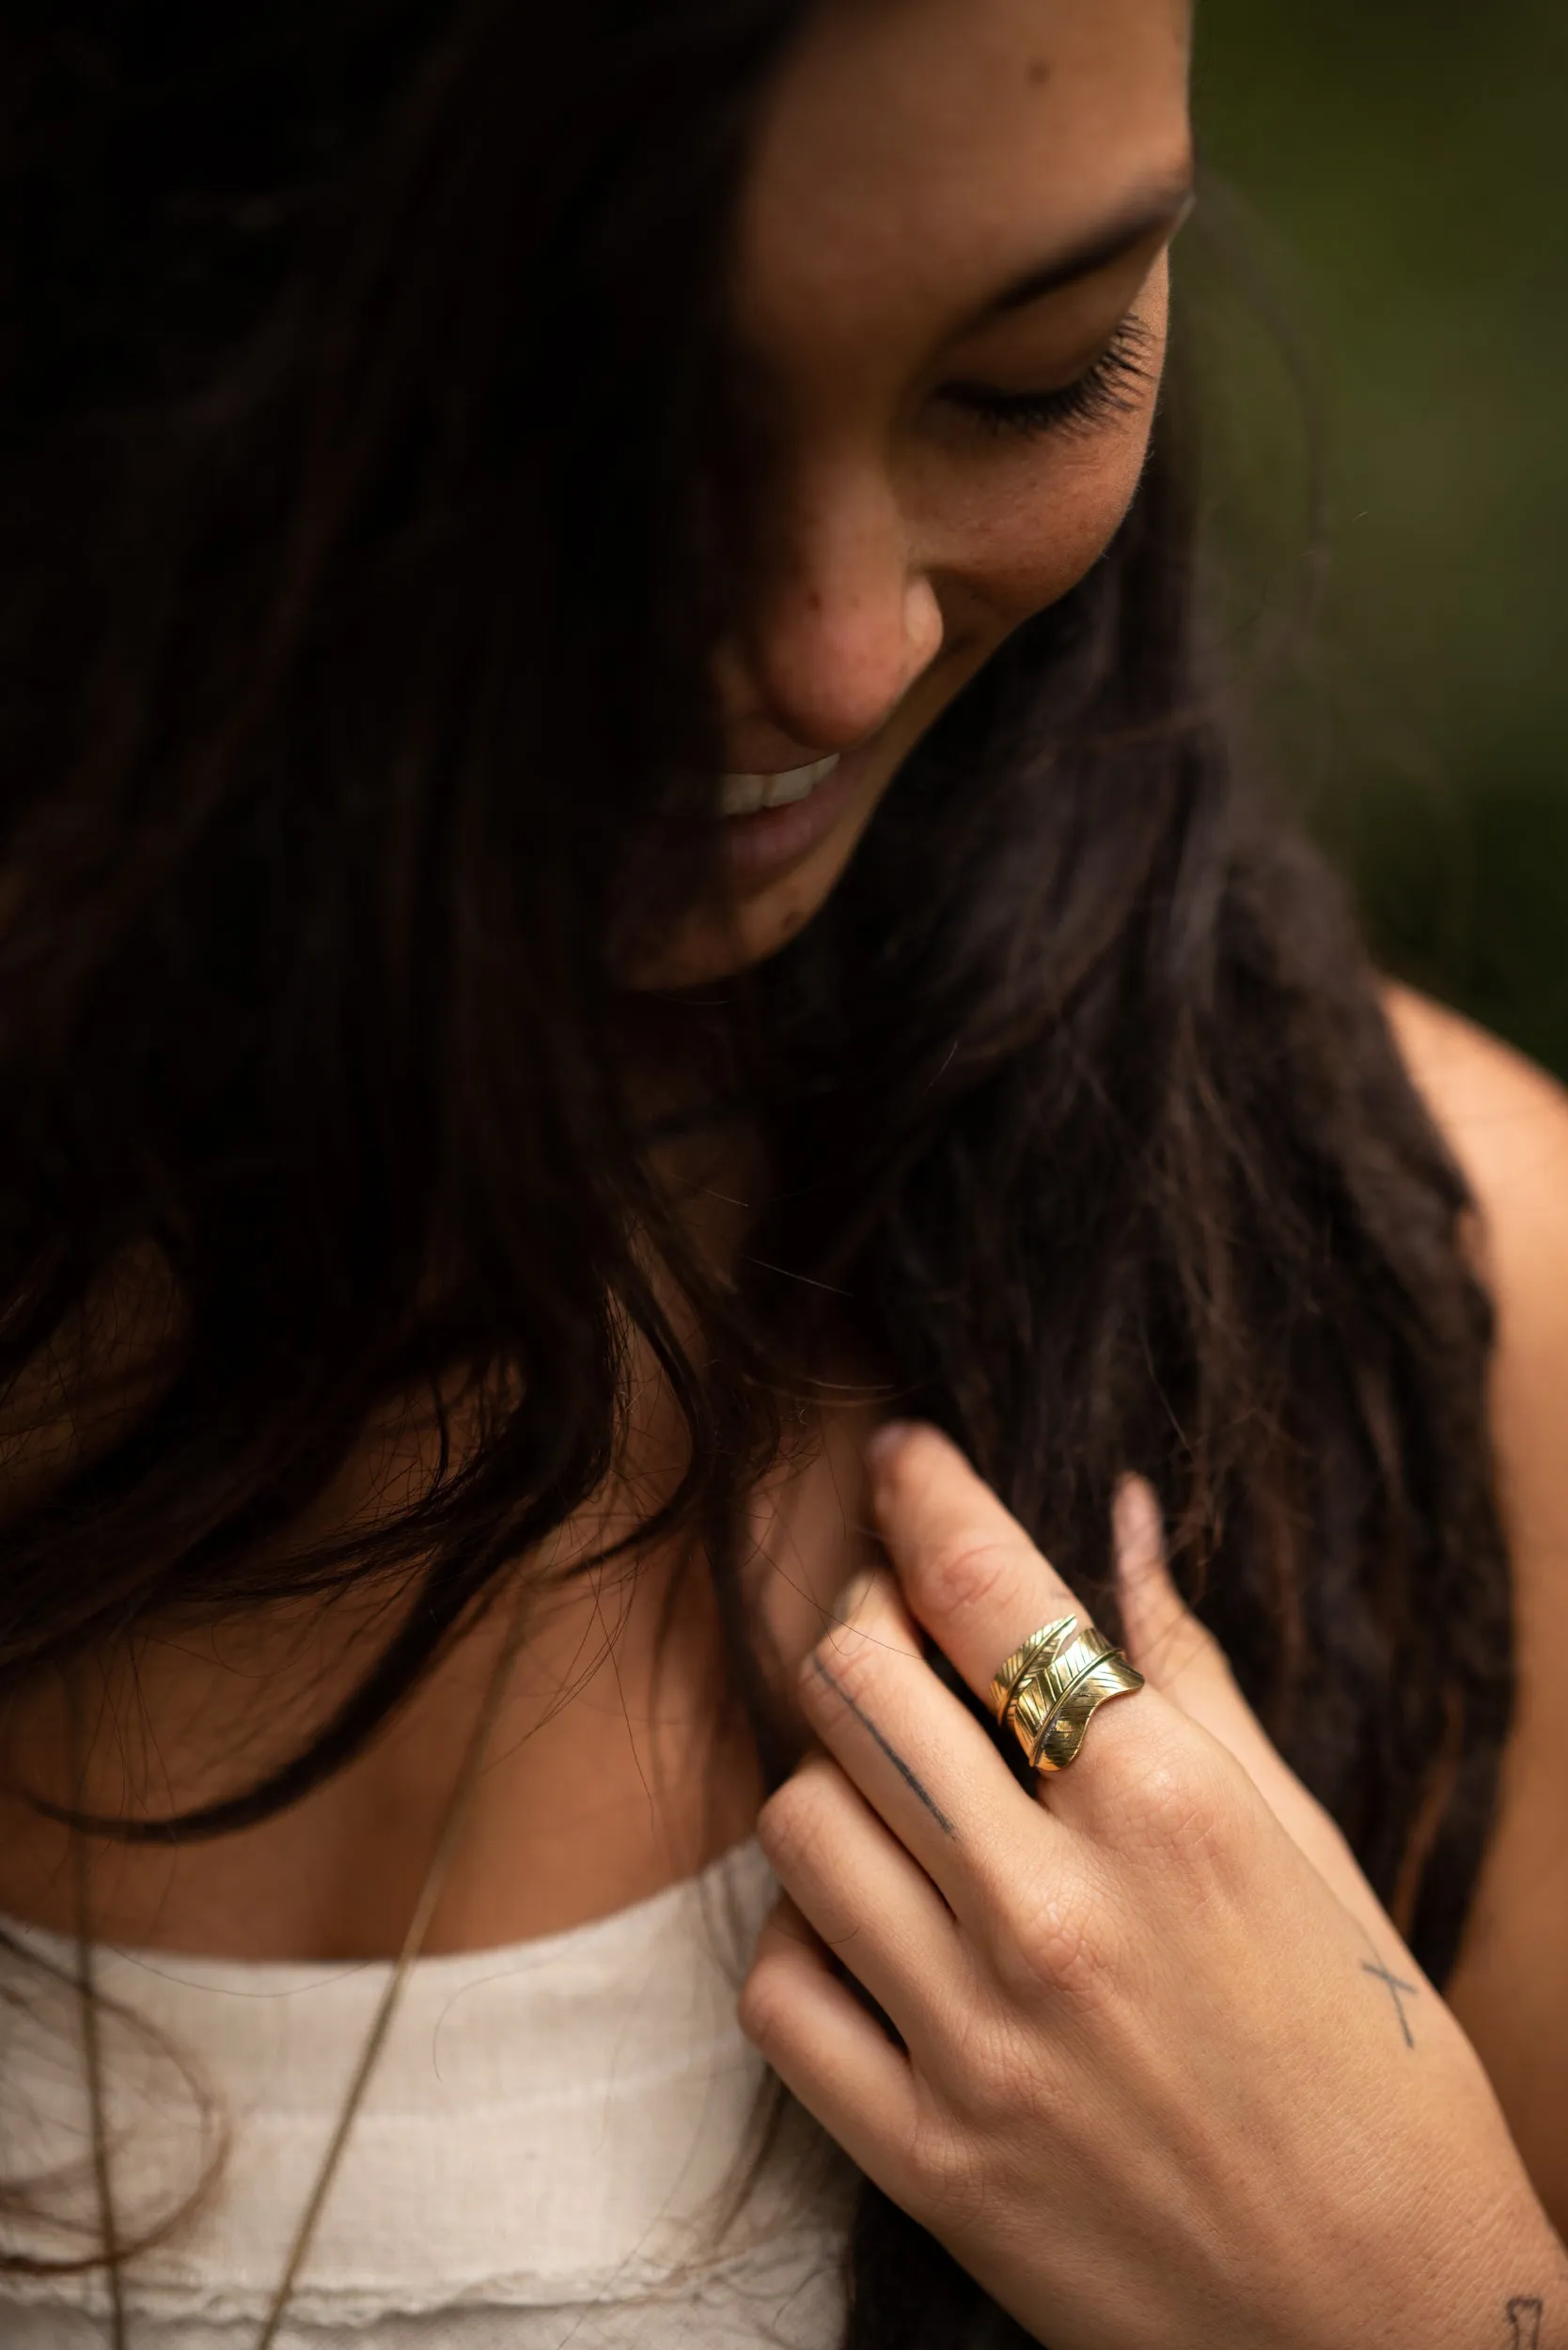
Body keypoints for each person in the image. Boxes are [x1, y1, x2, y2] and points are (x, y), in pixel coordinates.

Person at [0, 0, 1563, 2344]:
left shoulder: (1461, 1331)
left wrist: (1415, 2301)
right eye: (624, 453)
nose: (836, 653)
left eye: (1031, 378)